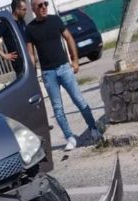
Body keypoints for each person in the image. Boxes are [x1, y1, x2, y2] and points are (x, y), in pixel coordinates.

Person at [26, 0, 102, 151]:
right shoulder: (30, 29)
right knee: (58, 109)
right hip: (48, 73)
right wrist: (32, 77)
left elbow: (69, 38)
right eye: (40, 5)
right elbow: (30, 54)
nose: (44, 7)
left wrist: (75, 60)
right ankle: (70, 138)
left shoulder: (55, 20)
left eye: (45, 4)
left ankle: (94, 129)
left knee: (79, 100)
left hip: (64, 68)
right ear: (33, 9)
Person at [0, 0, 28, 74]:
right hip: (20, 65)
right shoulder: (6, 23)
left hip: (28, 59)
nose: (26, 12)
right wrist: (4, 55)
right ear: (16, 10)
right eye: (24, 9)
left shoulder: (22, 21)